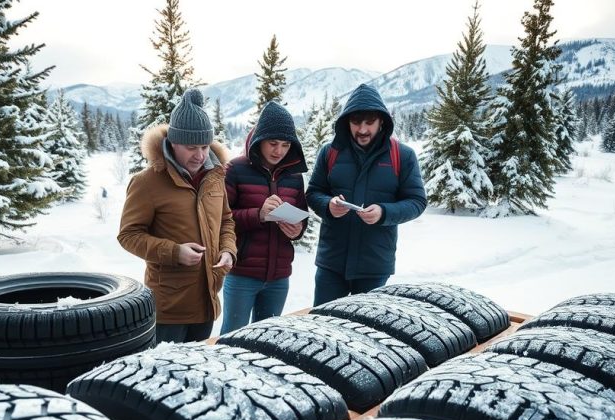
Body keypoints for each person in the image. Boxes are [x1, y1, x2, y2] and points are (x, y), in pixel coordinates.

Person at [118, 88, 236, 343]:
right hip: (169, 308)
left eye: (205, 146)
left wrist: (228, 250)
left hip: (208, 300)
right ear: (172, 143)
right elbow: (128, 235)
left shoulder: (214, 177)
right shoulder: (147, 182)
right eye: (191, 147)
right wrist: (174, 252)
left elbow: (226, 220)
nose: (200, 155)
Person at [305, 84, 426, 306]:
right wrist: (328, 205)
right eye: (355, 122)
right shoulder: (329, 152)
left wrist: (384, 212)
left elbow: (417, 201)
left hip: (374, 265)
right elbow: (314, 193)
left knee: (365, 334)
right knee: (323, 329)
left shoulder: (403, 155)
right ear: (346, 122)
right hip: (331, 263)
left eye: (369, 122)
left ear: (382, 121)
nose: (362, 130)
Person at [220, 101, 308, 334]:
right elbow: (220, 219)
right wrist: (258, 215)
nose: (279, 151)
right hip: (242, 274)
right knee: (232, 337)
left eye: (286, 144)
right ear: (260, 140)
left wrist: (297, 229)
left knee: (267, 339)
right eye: (273, 143)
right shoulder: (236, 169)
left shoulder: (295, 176)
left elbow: (302, 219)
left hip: (279, 276)